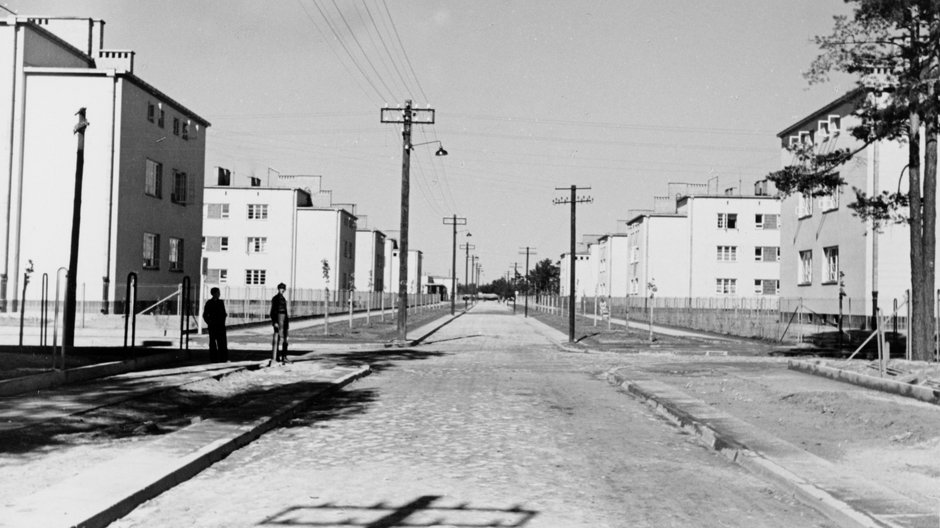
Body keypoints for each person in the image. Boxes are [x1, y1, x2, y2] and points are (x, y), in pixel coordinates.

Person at [202, 287, 228, 362]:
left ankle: (223, 358)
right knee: (213, 343)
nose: (219, 294)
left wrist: (223, 318)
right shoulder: (209, 303)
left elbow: (223, 312)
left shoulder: (221, 302)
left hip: (221, 326)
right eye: (218, 292)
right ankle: (214, 358)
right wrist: (209, 322)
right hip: (213, 326)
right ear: (214, 293)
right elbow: (205, 315)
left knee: (222, 342)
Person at [270, 282, 289, 363]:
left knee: (285, 339)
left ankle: (284, 356)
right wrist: (275, 321)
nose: (282, 290)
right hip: (279, 319)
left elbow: (285, 311)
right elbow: (272, 311)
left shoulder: (283, 299)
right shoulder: (275, 298)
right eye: (281, 288)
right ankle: (276, 356)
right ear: (278, 289)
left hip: (284, 320)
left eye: (283, 288)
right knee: (278, 338)